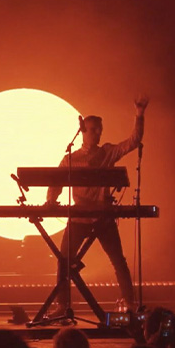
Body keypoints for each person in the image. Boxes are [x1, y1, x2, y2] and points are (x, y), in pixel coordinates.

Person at [45, 95, 148, 314]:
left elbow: (133, 141)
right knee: (64, 260)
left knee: (118, 260)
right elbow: (56, 181)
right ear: (82, 131)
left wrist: (139, 115)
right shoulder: (70, 159)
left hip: (103, 217)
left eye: (99, 129)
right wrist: (50, 202)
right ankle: (62, 306)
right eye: (92, 129)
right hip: (79, 218)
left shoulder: (107, 152)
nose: (97, 133)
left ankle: (129, 303)